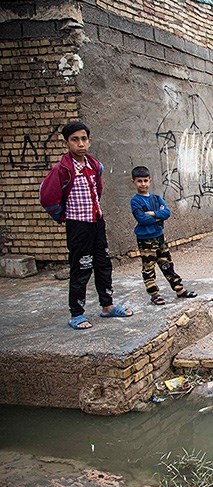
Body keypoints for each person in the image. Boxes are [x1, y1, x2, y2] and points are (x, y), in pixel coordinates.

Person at [40, 121, 133, 330]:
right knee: (81, 268)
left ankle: (107, 306)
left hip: (96, 222)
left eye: (84, 139)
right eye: (75, 140)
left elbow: (97, 191)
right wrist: (63, 216)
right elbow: (48, 198)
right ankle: (77, 313)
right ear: (67, 143)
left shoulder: (93, 165)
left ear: (89, 141)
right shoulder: (62, 169)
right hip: (78, 226)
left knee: (103, 264)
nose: (80, 144)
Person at [129, 165, 197, 305]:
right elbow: (142, 219)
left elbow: (167, 213)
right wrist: (159, 216)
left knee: (167, 264)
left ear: (150, 181)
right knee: (149, 267)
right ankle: (154, 294)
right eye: (139, 181)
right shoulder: (135, 201)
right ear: (134, 182)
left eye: (145, 180)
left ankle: (179, 289)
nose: (143, 184)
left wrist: (153, 214)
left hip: (159, 237)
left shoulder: (156, 198)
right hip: (145, 239)